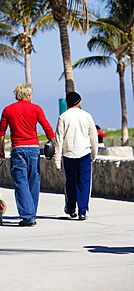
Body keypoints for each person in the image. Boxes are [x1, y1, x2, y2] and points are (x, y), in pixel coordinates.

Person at [0, 83, 55, 227]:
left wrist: (0, 150)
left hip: (18, 148)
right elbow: (47, 128)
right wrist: (53, 147)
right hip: (34, 148)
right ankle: (31, 214)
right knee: (34, 181)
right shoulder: (36, 108)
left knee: (21, 182)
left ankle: (28, 216)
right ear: (28, 95)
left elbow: (1, 133)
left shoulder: (8, 110)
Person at [55, 92, 98, 221]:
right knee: (84, 182)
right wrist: (94, 154)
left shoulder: (63, 117)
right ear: (78, 102)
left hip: (68, 154)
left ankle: (71, 208)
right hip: (84, 153)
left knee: (70, 182)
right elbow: (93, 137)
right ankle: (83, 211)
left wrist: (57, 161)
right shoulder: (87, 116)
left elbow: (59, 140)